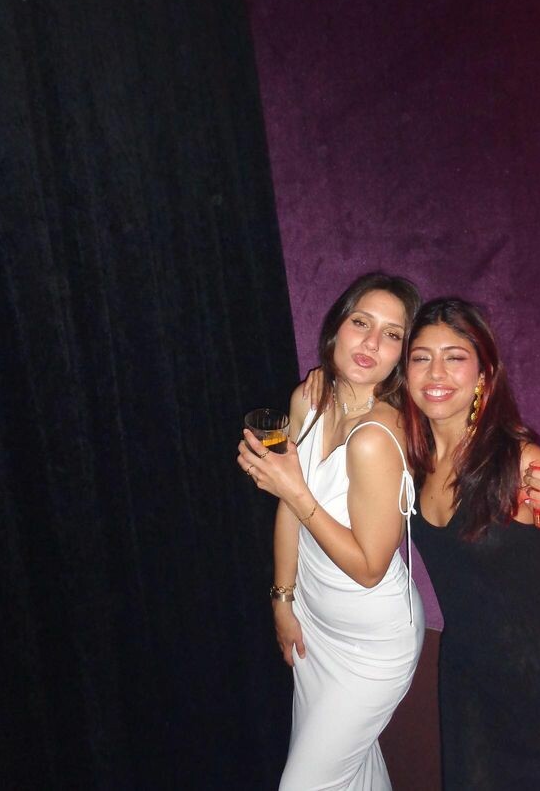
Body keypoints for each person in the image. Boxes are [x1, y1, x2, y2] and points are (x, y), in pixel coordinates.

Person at [405, 298, 540, 791]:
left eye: (455, 357)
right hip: (469, 681)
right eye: (421, 357)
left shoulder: (517, 460)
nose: (436, 372)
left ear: (483, 373)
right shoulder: (413, 457)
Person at [237, 273, 425, 791]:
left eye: (392, 334)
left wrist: (294, 490)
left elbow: (369, 569)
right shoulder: (309, 399)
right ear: (337, 327)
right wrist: (282, 601)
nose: (371, 342)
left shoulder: (378, 436)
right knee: (356, 772)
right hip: (315, 626)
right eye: (361, 322)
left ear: (402, 355)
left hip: (372, 644)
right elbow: (290, 509)